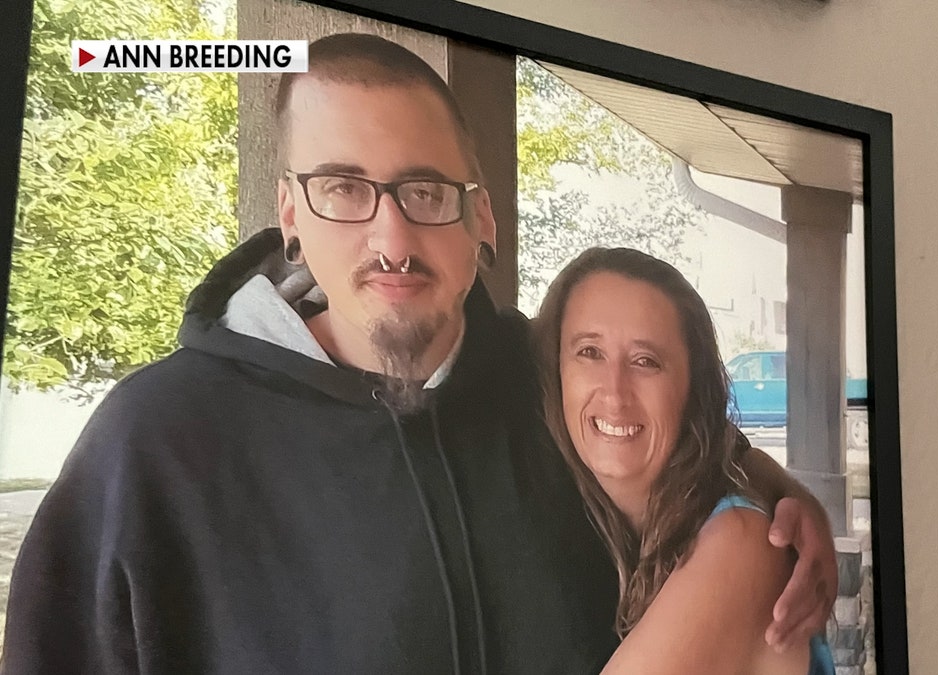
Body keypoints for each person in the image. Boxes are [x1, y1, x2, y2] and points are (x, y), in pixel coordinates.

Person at [2, 33, 836, 674]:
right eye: (344, 188)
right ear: (290, 211)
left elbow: (677, 436)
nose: (392, 236)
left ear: (481, 216)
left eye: (426, 191)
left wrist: (789, 495)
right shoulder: (153, 443)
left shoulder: (538, 386)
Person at [533, 247, 837, 675]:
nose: (615, 392)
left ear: (693, 392)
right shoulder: (605, 533)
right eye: (589, 352)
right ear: (556, 371)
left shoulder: (738, 541)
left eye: (646, 362)